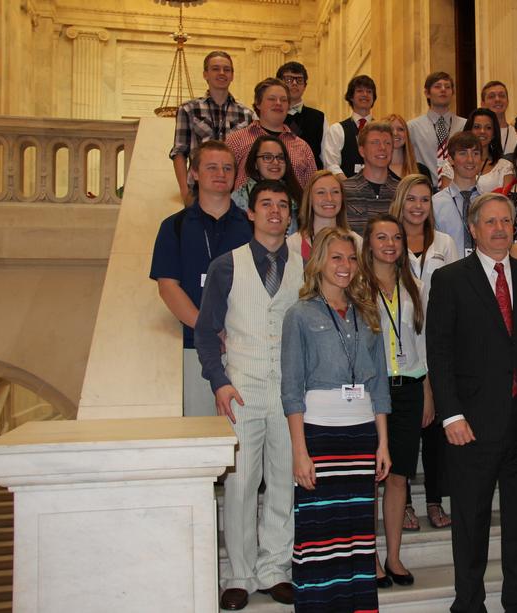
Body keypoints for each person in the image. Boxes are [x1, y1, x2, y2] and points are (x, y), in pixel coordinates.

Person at [426, 192, 517, 613]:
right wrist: (451, 414)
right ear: (473, 229)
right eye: (490, 222)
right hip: (471, 424)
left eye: (506, 221)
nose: (500, 228)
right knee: (471, 521)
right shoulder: (450, 279)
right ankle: (469, 603)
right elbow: (440, 353)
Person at [194, 180, 302, 611]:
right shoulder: (226, 266)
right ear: (251, 213)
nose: (275, 211)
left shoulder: (304, 266)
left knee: (283, 481)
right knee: (240, 484)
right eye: (266, 204)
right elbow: (206, 331)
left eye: (283, 205)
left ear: (290, 215)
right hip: (242, 389)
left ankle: (275, 568)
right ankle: (239, 574)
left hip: (289, 391)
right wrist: (218, 381)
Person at [280, 226, 391, 613]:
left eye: (351, 258)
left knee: (359, 536)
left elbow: (379, 385)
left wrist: (383, 444)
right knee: (319, 537)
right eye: (336, 257)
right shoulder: (299, 315)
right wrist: (300, 451)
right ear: (319, 262)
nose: (345, 265)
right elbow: (291, 389)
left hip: (361, 436)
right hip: (320, 436)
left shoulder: (368, 313)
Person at [149, 140, 252, 417]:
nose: (221, 173)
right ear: (194, 173)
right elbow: (168, 287)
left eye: (227, 168)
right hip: (194, 347)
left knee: (243, 434)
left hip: (245, 349)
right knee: (200, 428)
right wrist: (209, 329)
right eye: (211, 167)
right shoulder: (174, 226)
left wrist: (232, 332)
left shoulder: (251, 226)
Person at [360, 213, 431, 588]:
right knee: (371, 477)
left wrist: (428, 391)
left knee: (399, 475)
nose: (390, 244)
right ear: (368, 244)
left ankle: (394, 556)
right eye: (382, 237)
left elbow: (422, 341)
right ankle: (369, 555)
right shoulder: (356, 285)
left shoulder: (414, 285)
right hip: (371, 390)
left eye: (397, 238)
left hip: (409, 387)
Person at [388, 175, 458, 530]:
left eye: (424, 200)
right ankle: (404, 504)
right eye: (411, 199)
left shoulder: (445, 242)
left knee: (435, 429)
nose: (418, 206)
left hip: (440, 342)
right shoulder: (389, 241)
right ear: (400, 202)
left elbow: (459, 291)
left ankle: (434, 499)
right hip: (401, 345)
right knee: (404, 431)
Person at [170, 51, 254, 203]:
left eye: (226, 69)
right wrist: (184, 191)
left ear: (232, 76)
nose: (222, 73)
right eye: (215, 69)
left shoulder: (247, 114)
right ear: (205, 74)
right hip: (197, 190)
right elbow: (179, 152)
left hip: (235, 192)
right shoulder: (188, 109)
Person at [226, 78, 317, 190]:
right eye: (272, 99)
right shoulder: (236, 140)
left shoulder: (303, 147)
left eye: (283, 100)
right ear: (258, 103)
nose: (278, 103)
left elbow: (311, 191)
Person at [285, 170, 360, 266]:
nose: (329, 198)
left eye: (335, 192)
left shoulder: (357, 242)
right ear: (309, 199)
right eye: (321, 192)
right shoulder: (293, 244)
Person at [230, 136, 303, 232]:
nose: (275, 162)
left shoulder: (297, 196)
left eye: (280, 157)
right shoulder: (238, 200)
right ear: (255, 163)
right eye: (267, 157)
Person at [407, 71, 467, 186]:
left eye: (447, 87)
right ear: (427, 93)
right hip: (425, 189)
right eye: (437, 86)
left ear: (453, 93)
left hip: (458, 188)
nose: (443, 90)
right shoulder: (412, 127)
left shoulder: (465, 125)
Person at [438, 108, 514, 192]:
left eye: (488, 128)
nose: (482, 131)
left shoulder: (504, 166)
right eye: (477, 127)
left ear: (494, 133)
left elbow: (507, 199)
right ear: (469, 130)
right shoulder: (451, 165)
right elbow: (445, 197)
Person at [342, 122, 400, 233]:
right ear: (362, 151)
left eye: (387, 143)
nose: (382, 148)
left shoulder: (401, 191)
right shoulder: (344, 190)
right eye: (375, 142)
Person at [432, 132, 482, 258]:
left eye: (475, 153)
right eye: (463, 153)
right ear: (450, 159)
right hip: (447, 267)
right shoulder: (436, 203)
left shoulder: (489, 202)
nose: (470, 160)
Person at [322, 75, 377, 179]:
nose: (365, 94)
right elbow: (332, 165)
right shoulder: (337, 130)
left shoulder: (382, 130)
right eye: (360, 91)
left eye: (369, 91)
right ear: (351, 96)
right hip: (346, 187)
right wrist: (348, 185)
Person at [277, 61, 327, 170]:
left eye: (299, 80)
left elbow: (325, 157)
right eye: (289, 79)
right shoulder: (271, 114)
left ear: (305, 86)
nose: (294, 83)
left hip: (311, 176)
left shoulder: (318, 117)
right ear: (279, 83)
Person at [384, 114, 432, 181]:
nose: (395, 133)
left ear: (406, 134)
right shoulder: (376, 169)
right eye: (390, 129)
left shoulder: (422, 170)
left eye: (400, 129)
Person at [481, 80, 517, 155]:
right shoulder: (478, 134)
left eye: (502, 96)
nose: (497, 99)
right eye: (491, 96)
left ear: (507, 101)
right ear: (483, 104)